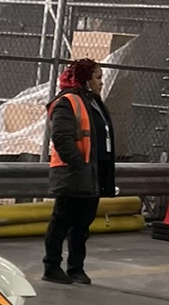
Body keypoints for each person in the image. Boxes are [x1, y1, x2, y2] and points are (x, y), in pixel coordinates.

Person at [43, 57, 116, 286]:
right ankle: (52, 266)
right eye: (97, 77)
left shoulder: (94, 102)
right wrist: (79, 164)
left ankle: (76, 268)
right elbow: (62, 138)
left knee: (82, 225)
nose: (101, 83)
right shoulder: (67, 102)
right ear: (85, 79)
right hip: (74, 173)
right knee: (62, 221)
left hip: (91, 173)